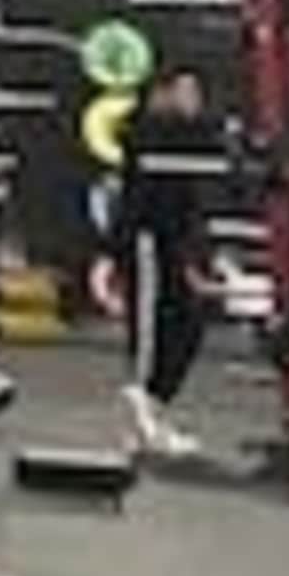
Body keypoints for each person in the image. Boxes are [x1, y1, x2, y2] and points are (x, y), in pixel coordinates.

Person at [107, 64, 230, 462]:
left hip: (172, 241)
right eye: (185, 92)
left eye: (196, 93)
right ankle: (140, 414)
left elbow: (214, 143)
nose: (193, 101)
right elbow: (146, 136)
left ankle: (151, 413)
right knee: (149, 331)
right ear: (160, 95)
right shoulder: (143, 129)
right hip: (144, 238)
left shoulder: (186, 135)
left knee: (189, 325)